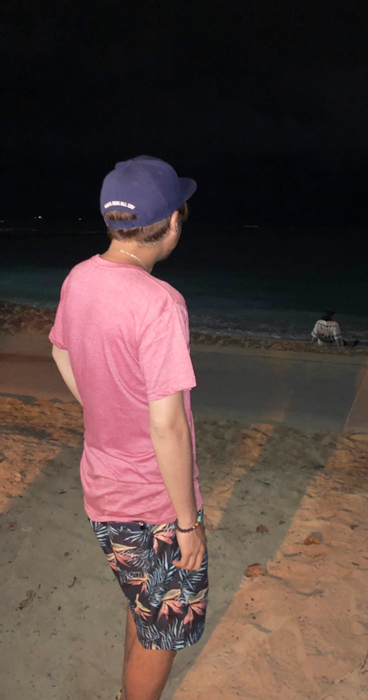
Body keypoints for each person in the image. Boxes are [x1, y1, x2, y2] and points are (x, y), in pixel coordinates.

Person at [49, 156, 207, 700]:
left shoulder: (80, 277)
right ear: (173, 222)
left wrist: (103, 407)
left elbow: (60, 350)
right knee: (163, 625)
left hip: (102, 488)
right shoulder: (160, 304)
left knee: (143, 604)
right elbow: (168, 425)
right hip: (150, 501)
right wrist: (186, 523)